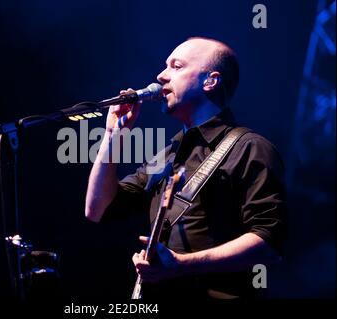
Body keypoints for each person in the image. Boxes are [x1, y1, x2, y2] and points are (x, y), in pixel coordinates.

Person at [84, 37, 286, 299]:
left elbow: (269, 243)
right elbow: (97, 209)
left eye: (176, 67)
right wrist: (113, 134)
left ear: (210, 81)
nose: (161, 76)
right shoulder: (167, 155)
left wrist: (182, 265)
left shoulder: (250, 148)